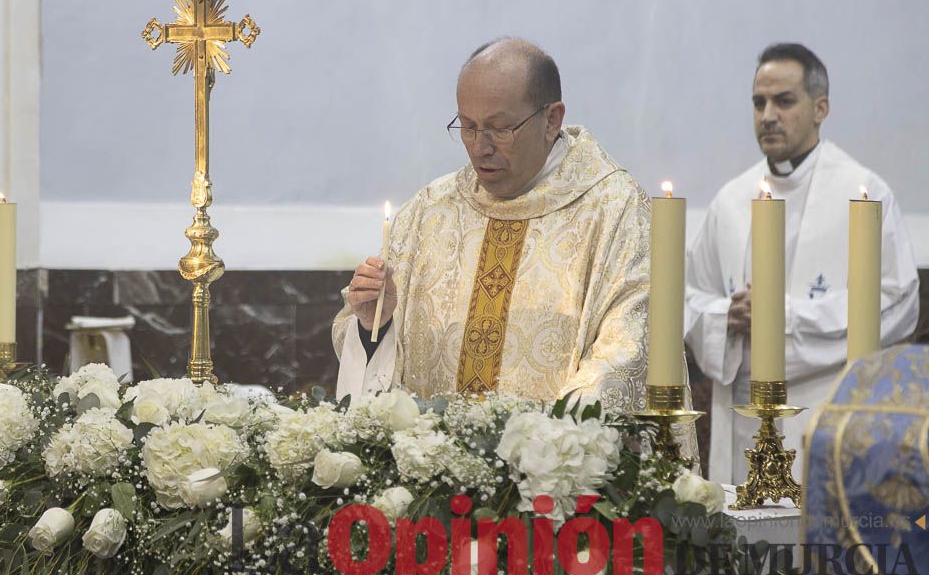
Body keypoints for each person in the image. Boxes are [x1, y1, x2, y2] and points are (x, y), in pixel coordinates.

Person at [332, 37, 668, 417]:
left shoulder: (614, 210)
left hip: (550, 469)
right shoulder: (430, 211)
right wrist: (375, 321)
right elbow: (367, 359)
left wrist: (543, 447)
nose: (479, 147)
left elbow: (626, 351)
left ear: (552, 119)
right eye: (468, 127)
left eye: (499, 129)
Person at [685, 43, 919, 484]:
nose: (768, 114)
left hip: (825, 408)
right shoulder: (731, 200)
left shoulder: (863, 193)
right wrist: (725, 315)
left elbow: (898, 303)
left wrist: (784, 316)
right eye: (759, 102)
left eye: (784, 101)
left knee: (815, 549)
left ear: (820, 108)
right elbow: (691, 298)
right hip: (743, 414)